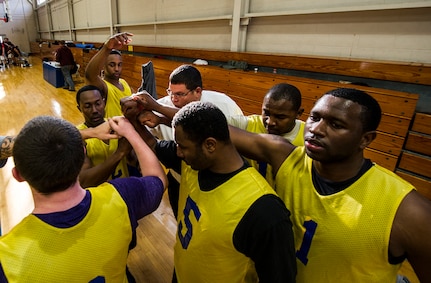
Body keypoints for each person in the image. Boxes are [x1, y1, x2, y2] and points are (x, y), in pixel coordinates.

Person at [228, 87, 431, 282]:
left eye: (336, 125)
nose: (316, 129)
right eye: (315, 118)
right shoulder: (285, 156)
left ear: (365, 139)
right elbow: (216, 129)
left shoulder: (408, 210)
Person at [125, 101, 296, 282]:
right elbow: (152, 144)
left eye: (183, 147)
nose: (179, 153)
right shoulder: (193, 163)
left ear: (210, 145)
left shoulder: (264, 210)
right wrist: (133, 120)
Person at [0, 115, 167, 282]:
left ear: (18, 175)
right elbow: (157, 179)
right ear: (83, 154)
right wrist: (131, 133)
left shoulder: (7, 258)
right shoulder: (122, 197)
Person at [133, 64, 244, 218]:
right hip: (180, 181)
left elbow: (201, 123)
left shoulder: (225, 104)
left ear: (197, 92)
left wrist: (158, 109)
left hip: (219, 185)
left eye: (180, 94)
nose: (173, 99)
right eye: (170, 92)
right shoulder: (162, 106)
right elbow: (148, 138)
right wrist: (134, 114)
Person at [228, 83, 304, 186]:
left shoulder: (307, 135)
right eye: (266, 113)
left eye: (280, 117)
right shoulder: (247, 124)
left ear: (298, 113)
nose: (270, 122)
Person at [76, 85, 139, 188]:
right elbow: (85, 181)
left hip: (123, 194)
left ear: (104, 102)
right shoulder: (78, 137)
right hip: (99, 199)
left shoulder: (118, 125)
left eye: (98, 103)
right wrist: (120, 152)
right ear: (80, 108)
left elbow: (132, 160)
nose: (94, 110)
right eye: (88, 106)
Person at [85, 32, 134, 118]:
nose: (116, 69)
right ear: (103, 66)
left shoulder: (124, 82)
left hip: (128, 129)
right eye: (112, 65)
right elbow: (90, 75)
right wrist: (106, 48)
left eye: (119, 65)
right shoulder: (104, 86)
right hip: (112, 130)